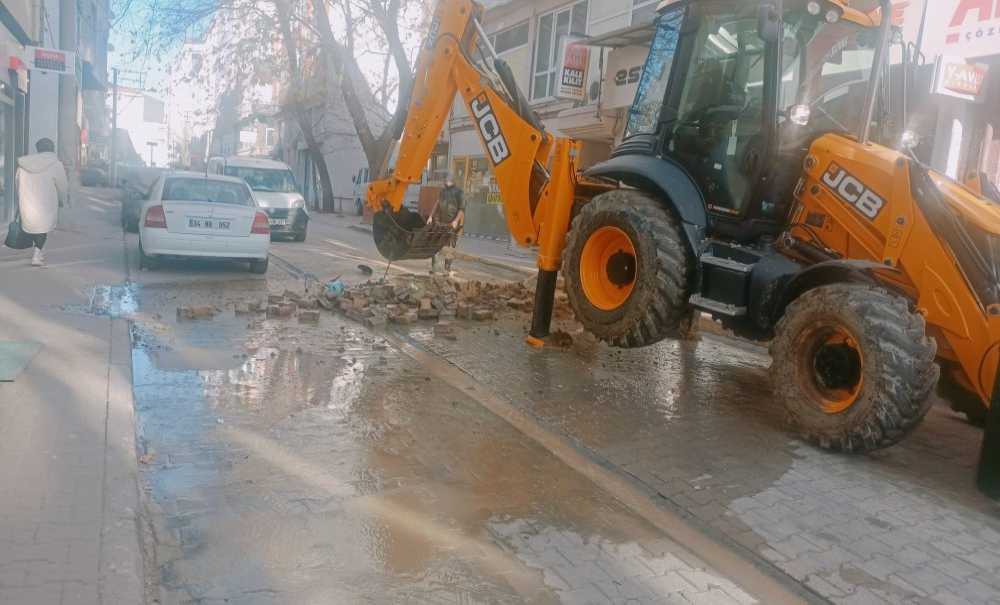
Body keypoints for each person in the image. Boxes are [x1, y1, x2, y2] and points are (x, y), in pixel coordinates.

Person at [16, 138, 68, 267]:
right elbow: (62, 185)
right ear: (52, 149)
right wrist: (63, 199)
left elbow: (17, 182)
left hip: (28, 201)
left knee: (34, 227)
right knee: (42, 229)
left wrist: (21, 196)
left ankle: (38, 252)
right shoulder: (56, 164)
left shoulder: (24, 164)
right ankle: (37, 255)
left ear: (38, 149)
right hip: (46, 202)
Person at [430, 176, 465, 275]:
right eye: (445, 180)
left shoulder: (459, 193)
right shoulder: (443, 191)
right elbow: (437, 203)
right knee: (436, 244)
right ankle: (434, 268)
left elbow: (461, 209)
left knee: (450, 246)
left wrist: (456, 221)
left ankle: (447, 268)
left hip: (453, 224)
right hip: (441, 223)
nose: (445, 182)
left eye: (447, 180)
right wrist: (431, 216)